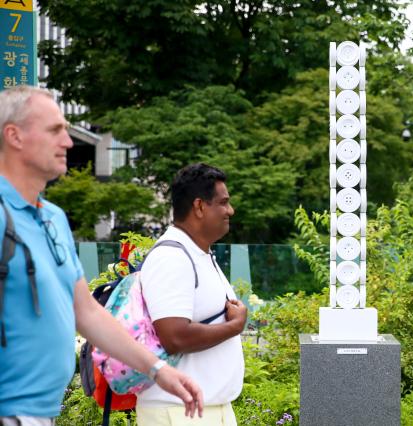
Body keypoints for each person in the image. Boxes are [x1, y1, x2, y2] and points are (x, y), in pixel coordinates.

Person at [0, 86, 204, 425]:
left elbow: (88, 312)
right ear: (14, 136)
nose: (67, 142)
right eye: (55, 130)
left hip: (39, 415)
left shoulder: (53, 218)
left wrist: (157, 369)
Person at [136, 163, 247, 426]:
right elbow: (174, 336)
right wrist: (235, 326)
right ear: (199, 206)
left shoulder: (197, 253)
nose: (230, 211)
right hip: (178, 412)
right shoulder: (172, 257)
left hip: (202, 411)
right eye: (223, 202)